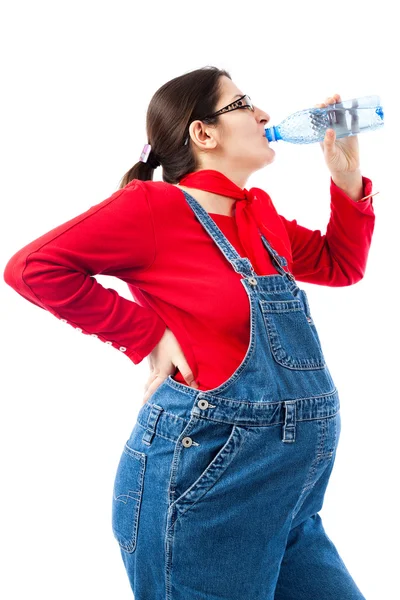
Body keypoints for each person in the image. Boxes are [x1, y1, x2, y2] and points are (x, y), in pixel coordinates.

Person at [3, 66, 376, 599]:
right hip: (203, 493)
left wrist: (346, 182)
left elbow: (342, 265)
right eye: (244, 103)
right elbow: (31, 268)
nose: (265, 114)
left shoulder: (260, 214)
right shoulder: (153, 207)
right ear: (203, 133)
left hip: (291, 499)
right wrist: (146, 334)